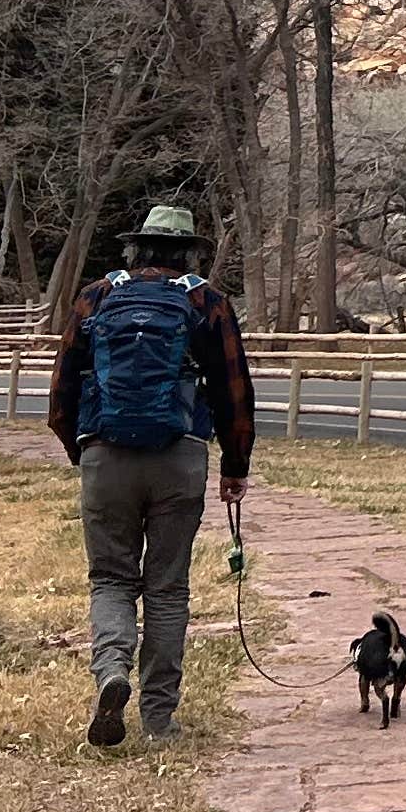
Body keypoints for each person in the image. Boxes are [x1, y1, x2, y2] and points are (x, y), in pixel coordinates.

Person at [49, 202, 256, 748]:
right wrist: (235, 466)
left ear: (135, 247)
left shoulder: (97, 296)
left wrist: (83, 450)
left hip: (105, 454)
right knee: (167, 589)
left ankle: (111, 670)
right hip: (179, 455)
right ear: (188, 252)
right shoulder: (206, 302)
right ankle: (159, 719)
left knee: (111, 578)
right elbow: (234, 390)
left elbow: (62, 389)